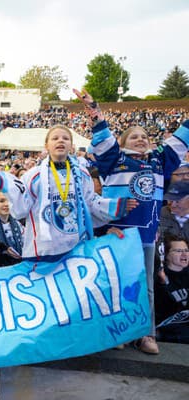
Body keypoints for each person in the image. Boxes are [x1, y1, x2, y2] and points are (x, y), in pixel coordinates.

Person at [76, 88, 189, 355]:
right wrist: (95, 110)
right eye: (134, 136)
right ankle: (117, 331)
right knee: (115, 284)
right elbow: (103, 139)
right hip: (118, 236)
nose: (141, 139)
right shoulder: (115, 160)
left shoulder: (160, 160)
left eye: (145, 136)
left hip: (147, 237)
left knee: (146, 286)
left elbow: (182, 139)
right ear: (124, 141)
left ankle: (147, 334)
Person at [0, 126, 132, 262]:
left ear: (71, 146)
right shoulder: (34, 175)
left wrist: (115, 206)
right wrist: (0, 176)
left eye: (65, 138)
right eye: (55, 138)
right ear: (46, 146)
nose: (60, 141)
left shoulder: (82, 173)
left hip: (75, 248)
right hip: (43, 251)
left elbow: (90, 202)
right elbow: (21, 206)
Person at [155, 236, 189, 344]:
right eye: (178, 251)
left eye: (186, 250)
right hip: (167, 325)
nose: (184, 254)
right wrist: (163, 284)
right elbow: (160, 310)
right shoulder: (158, 276)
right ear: (167, 255)